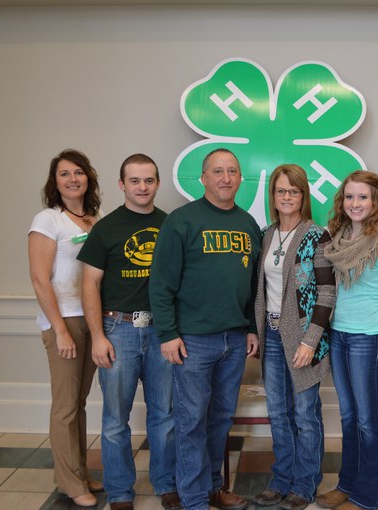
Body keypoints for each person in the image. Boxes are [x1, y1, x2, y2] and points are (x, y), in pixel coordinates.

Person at [149, 148, 262, 510]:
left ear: (240, 177)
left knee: (220, 421)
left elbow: (252, 285)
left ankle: (214, 487)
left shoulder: (248, 224)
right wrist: (167, 334)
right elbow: (161, 283)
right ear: (203, 178)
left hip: (233, 338)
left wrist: (249, 327)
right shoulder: (182, 221)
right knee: (191, 422)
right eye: (217, 171)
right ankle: (194, 498)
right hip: (193, 340)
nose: (225, 178)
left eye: (232, 171)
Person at [78, 154, 178, 510]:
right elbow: (89, 284)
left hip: (160, 331)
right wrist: (98, 336)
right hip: (117, 328)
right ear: (122, 184)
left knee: (164, 415)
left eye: (149, 180)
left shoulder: (171, 224)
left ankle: (167, 484)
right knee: (115, 419)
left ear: (157, 183)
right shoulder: (105, 228)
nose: (142, 187)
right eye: (134, 181)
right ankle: (120, 491)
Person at [316, 170, 378, 510]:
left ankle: (369, 496)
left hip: (369, 339)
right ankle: (347, 485)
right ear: (342, 202)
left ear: (375, 203)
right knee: (348, 416)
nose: (355, 203)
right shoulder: (337, 239)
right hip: (339, 335)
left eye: (363, 197)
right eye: (349, 197)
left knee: (369, 419)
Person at [251, 164, 336, 510]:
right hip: (270, 337)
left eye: (294, 191)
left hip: (303, 339)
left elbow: (327, 294)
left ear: (304, 196)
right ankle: (281, 478)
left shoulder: (318, 235)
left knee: (305, 413)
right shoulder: (265, 234)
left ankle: (305, 483)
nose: (287, 197)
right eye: (281, 191)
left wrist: (310, 341)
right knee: (278, 412)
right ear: (273, 196)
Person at [28, 149, 103, 508]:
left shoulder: (94, 219)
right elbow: (40, 280)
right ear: (54, 182)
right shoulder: (48, 220)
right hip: (65, 320)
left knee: (80, 403)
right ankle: (69, 482)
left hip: (92, 318)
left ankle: (80, 471)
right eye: (64, 174)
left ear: (88, 177)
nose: (73, 179)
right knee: (65, 407)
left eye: (78, 172)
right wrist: (59, 329)